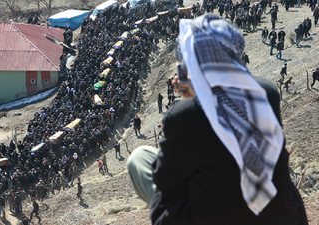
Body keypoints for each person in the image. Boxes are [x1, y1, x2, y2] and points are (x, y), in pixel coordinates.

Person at [127, 14, 307, 225]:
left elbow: (164, 179)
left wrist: (190, 99)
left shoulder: (183, 116)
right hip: (281, 213)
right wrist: (199, 92)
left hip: (214, 215)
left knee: (139, 158)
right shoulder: (267, 92)